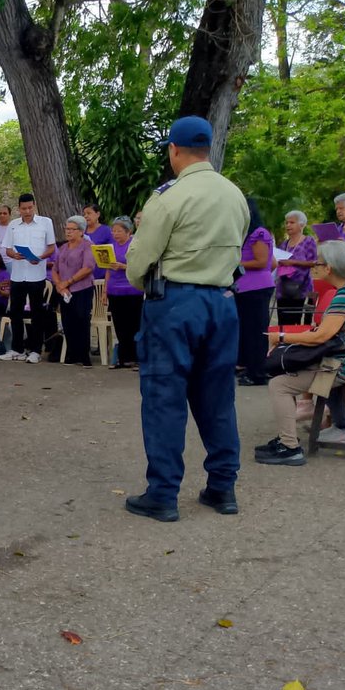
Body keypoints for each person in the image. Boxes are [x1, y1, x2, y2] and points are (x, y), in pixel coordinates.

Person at [123, 116, 249, 522]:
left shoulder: (169, 198)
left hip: (175, 302)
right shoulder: (235, 196)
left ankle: (162, 493)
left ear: (174, 150)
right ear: (206, 148)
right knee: (217, 398)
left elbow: (138, 262)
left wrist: (144, 278)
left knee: (164, 397)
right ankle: (222, 488)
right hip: (222, 302)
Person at [258, 240, 345, 462]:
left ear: (329, 268)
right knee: (290, 371)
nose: (314, 265)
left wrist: (281, 337)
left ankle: (289, 447)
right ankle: (302, 433)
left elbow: (321, 336)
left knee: (279, 384)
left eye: (318, 262)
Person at [0, 192, 57, 363]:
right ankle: (17, 349)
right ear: (19, 209)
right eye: (24, 208)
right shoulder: (13, 225)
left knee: (37, 313)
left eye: (30, 208)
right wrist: (14, 255)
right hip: (17, 275)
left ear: (34, 206)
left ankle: (36, 350)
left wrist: (39, 258)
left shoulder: (46, 223)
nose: (27, 211)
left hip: (36, 275)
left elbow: (52, 248)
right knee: (15, 313)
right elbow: (7, 249)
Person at [234, 198, 276, 386]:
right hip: (244, 287)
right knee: (246, 331)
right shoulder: (245, 234)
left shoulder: (259, 233)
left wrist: (236, 263)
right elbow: (273, 262)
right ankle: (247, 366)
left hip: (256, 288)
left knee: (256, 332)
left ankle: (257, 373)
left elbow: (262, 261)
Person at [51, 214, 97, 367]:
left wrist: (68, 282)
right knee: (67, 321)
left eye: (72, 229)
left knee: (81, 321)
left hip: (81, 288)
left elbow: (87, 268)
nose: (68, 232)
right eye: (67, 229)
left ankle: (83, 356)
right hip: (64, 291)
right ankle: (72, 353)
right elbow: (55, 268)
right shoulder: (63, 247)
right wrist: (59, 285)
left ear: (81, 231)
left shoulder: (87, 246)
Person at [103, 216, 142, 368]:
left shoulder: (134, 246)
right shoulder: (110, 246)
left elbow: (139, 266)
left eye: (119, 231)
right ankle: (123, 358)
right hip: (114, 290)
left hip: (132, 289)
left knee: (133, 325)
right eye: (113, 231)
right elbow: (107, 269)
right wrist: (104, 291)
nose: (115, 234)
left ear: (128, 232)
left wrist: (123, 266)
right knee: (119, 325)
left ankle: (135, 358)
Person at [277, 210, 316, 326]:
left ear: (301, 225)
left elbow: (313, 262)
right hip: (283, 286)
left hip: (300, 287)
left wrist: (293, 262)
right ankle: (282, 342)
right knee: (282, 320)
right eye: (287, 223)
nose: (288, 225)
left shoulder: (308, 241)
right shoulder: (284, 243)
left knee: (294, 320)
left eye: (292, 222)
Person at [83, 203, 112, 279]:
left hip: (102, 274)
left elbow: (112, 251)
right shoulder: (81, 232)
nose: (86, 216)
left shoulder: (106, 231)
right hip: (84, 275)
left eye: (89, 213)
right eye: (84, 214)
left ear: (98, 214)